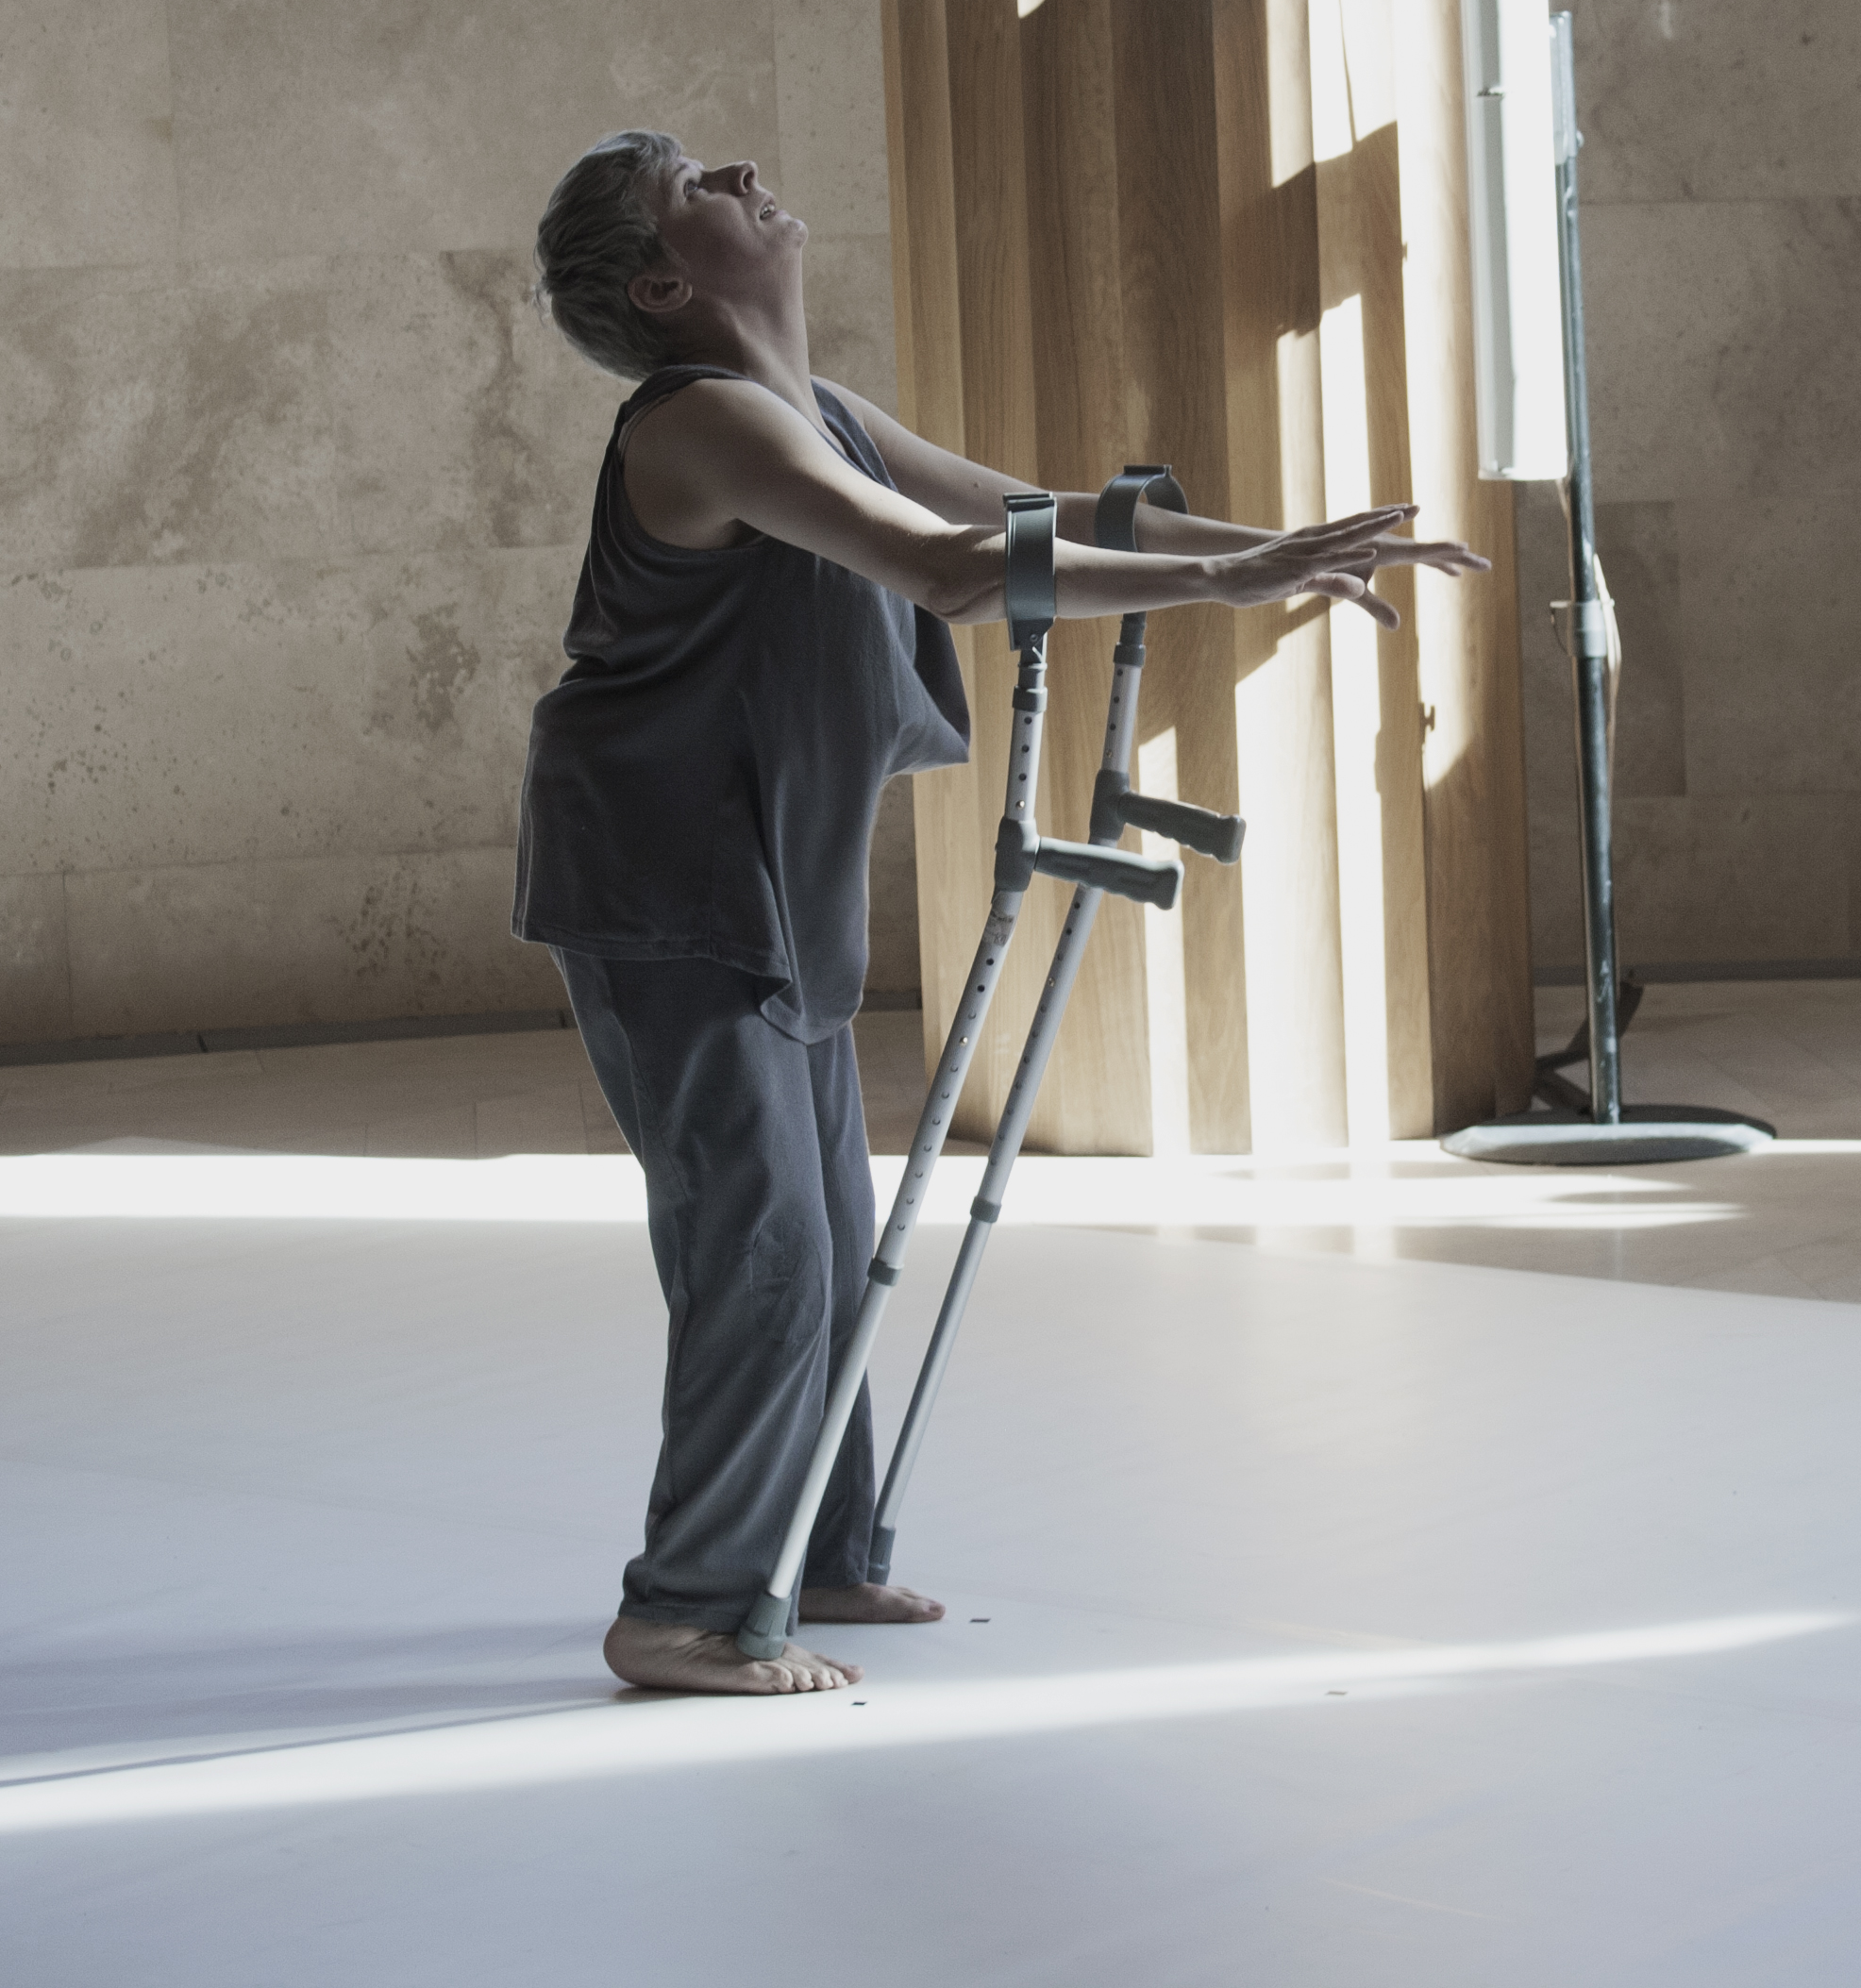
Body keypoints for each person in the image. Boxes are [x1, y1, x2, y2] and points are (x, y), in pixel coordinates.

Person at [516, 129, 1488, 1696]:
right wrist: (1226, 587)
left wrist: (1267, 555)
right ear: (662, 284)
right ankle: (682, 1610)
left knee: (823, 1239)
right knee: (761, 1249)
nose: (745, 167)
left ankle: (807, 1559)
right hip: (661, 877)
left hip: (764, 862)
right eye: (696, 181)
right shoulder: (701, 425)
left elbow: (1046, 514)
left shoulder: (815, 414)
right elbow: (953, 573)